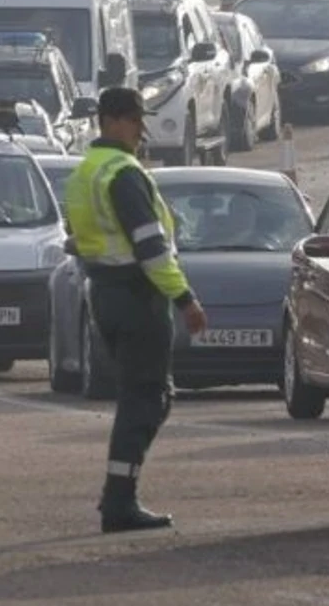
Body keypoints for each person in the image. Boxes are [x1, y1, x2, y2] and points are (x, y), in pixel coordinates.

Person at [64, 86, 209, 533]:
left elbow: (79, 238)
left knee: (139, 396)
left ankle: (118, 497)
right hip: (138, 296)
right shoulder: (123, 174)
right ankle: (119, 502)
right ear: (110, 121)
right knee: (147, 399)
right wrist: (185, 298)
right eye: (133, 120)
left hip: (105, 294)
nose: (141, 130)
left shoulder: (85, 171)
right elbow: (151, 247)